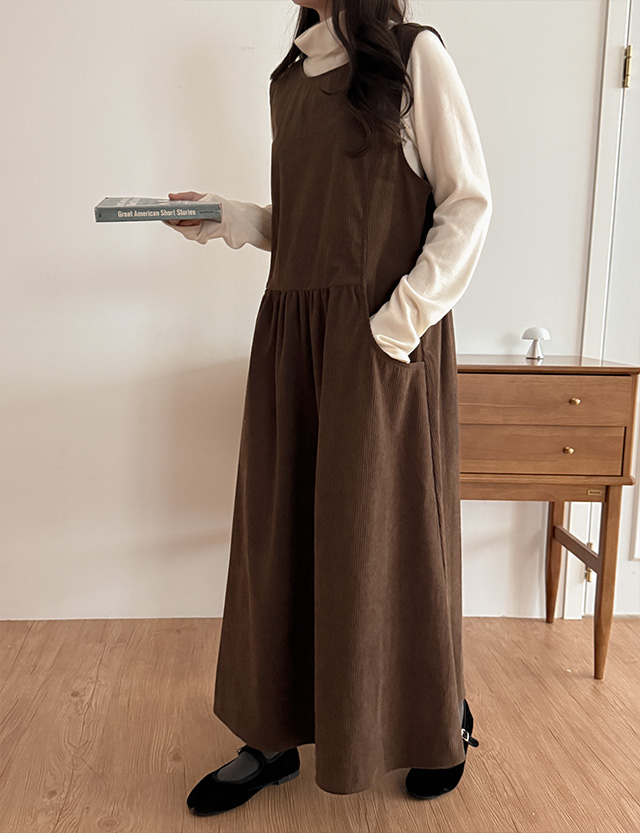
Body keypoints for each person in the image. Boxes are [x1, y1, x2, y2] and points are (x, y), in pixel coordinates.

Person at [165, 0, 491, 817]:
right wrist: (230, 218)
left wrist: (397, 325)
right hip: (292, 341)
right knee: (280, 536)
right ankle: (271, 734)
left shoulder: (414, 59)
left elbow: (467, 205)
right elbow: (312, 220)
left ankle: (435, 719)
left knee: (384, 539)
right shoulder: (288, 80)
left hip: (378, 344)